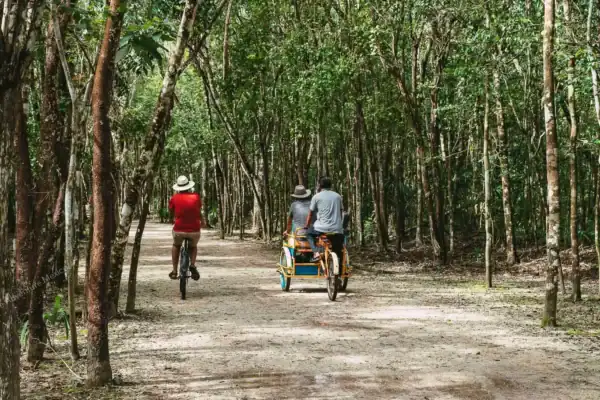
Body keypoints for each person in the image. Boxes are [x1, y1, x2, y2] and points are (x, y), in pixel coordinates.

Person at [304, 176, 344, 263]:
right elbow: (341, 213)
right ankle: (340, 271)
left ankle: (316, 253)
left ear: (320, 186)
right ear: (331, 185)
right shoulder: (338, 196)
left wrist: (306, 225)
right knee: (339, 249)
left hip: (321, 229)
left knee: (309, 233)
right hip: (336, 229)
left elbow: (310, 214)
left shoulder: (316, 197)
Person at [168, 175, 202, 281]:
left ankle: (174, 271)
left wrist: (173, 218)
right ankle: (192, 264)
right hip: (194, 230)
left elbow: (171, 211)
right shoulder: (196, 197)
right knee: (193, 246)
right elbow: (199, 211)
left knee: (176, 245)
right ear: (188, 186)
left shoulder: (174, 198)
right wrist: (203, 222)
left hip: (179, 230)